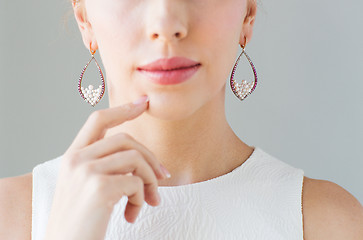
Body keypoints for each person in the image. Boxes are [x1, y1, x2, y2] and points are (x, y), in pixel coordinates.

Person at [1, 0, 362, 239]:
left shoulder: (329, 224)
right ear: (85, 19)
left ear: (247, 14)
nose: (167, 24)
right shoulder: (11, 218)